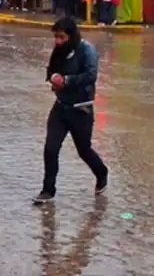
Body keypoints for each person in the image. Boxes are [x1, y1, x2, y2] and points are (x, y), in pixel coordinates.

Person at [34, 17, 108, 204]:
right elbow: (53, 72)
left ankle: (101, 172)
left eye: (61, 37)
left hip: (81, 110)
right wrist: (54, 81)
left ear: (72, 35)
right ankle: (48, 190)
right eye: (55, 37)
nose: (57, 41)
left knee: (84, 150)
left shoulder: (87, 51)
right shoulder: (59, 51)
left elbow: (90, 76)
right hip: (61, 108)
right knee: (50, 149)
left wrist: (67, 81)